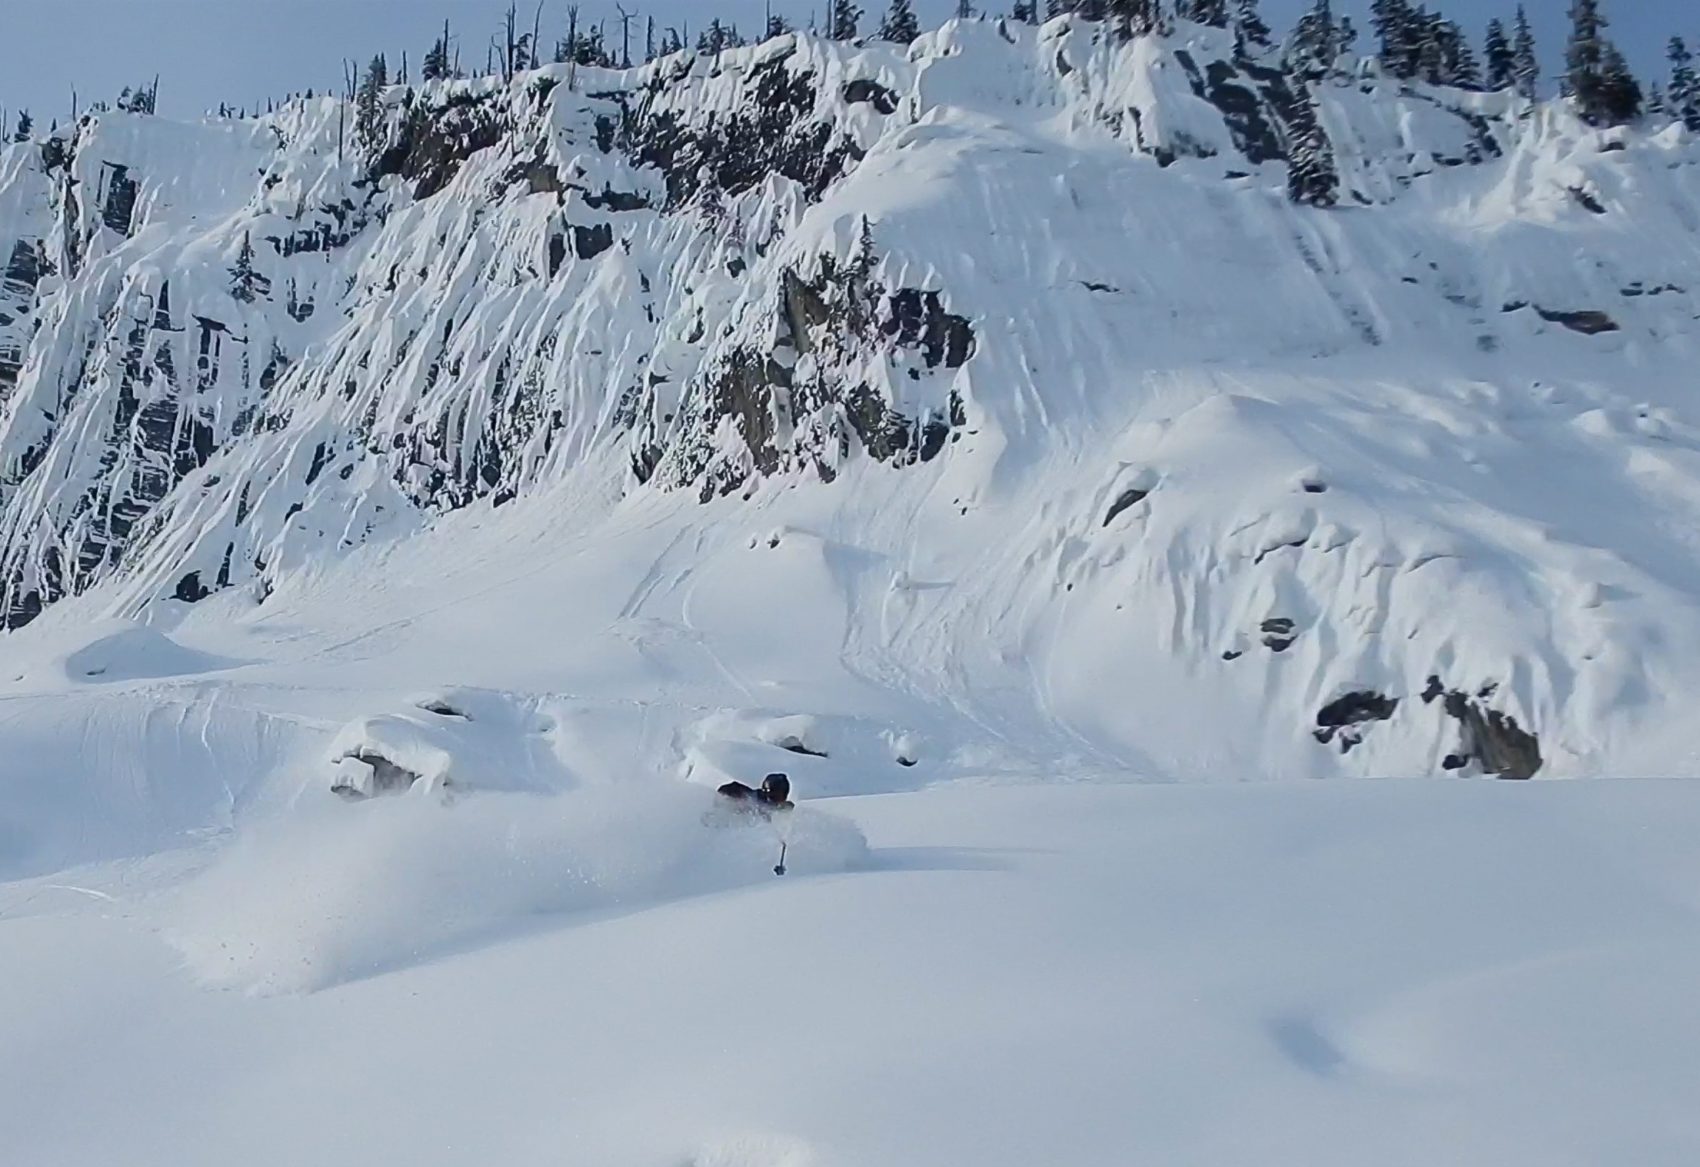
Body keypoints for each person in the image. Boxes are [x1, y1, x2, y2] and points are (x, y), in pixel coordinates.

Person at [717, 772, 794, 815]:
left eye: (778, 796)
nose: (774, 800)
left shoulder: (784, 809)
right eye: (772, 796)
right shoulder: (751, 797)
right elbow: (728, 789)